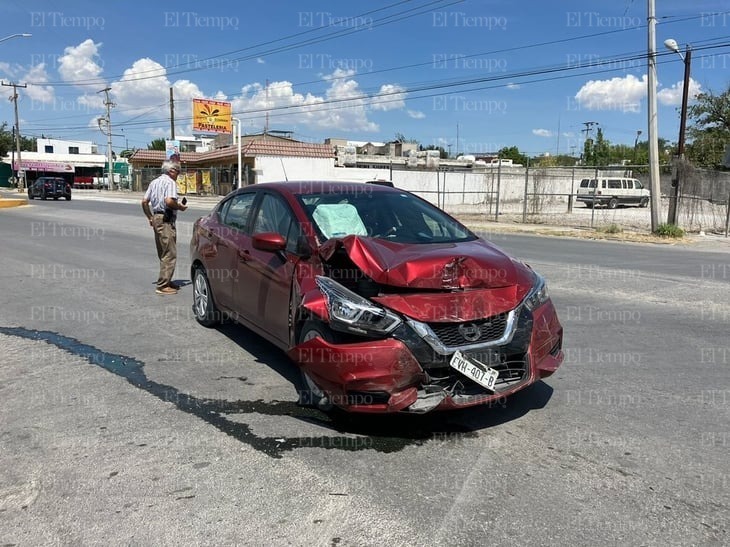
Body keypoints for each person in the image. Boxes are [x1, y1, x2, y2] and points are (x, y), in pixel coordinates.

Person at [141, 160, 187, 295]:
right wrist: (180, 207)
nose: (178, 175)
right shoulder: (170, 182)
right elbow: (169, 201)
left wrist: (150, 217)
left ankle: (167, 280)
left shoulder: (154, 182)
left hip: (156, 217)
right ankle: (162, 286)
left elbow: (144, 201)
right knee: (170, 252)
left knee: (163, 251)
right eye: (177, 172)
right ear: (171, 171)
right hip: (166, 219)